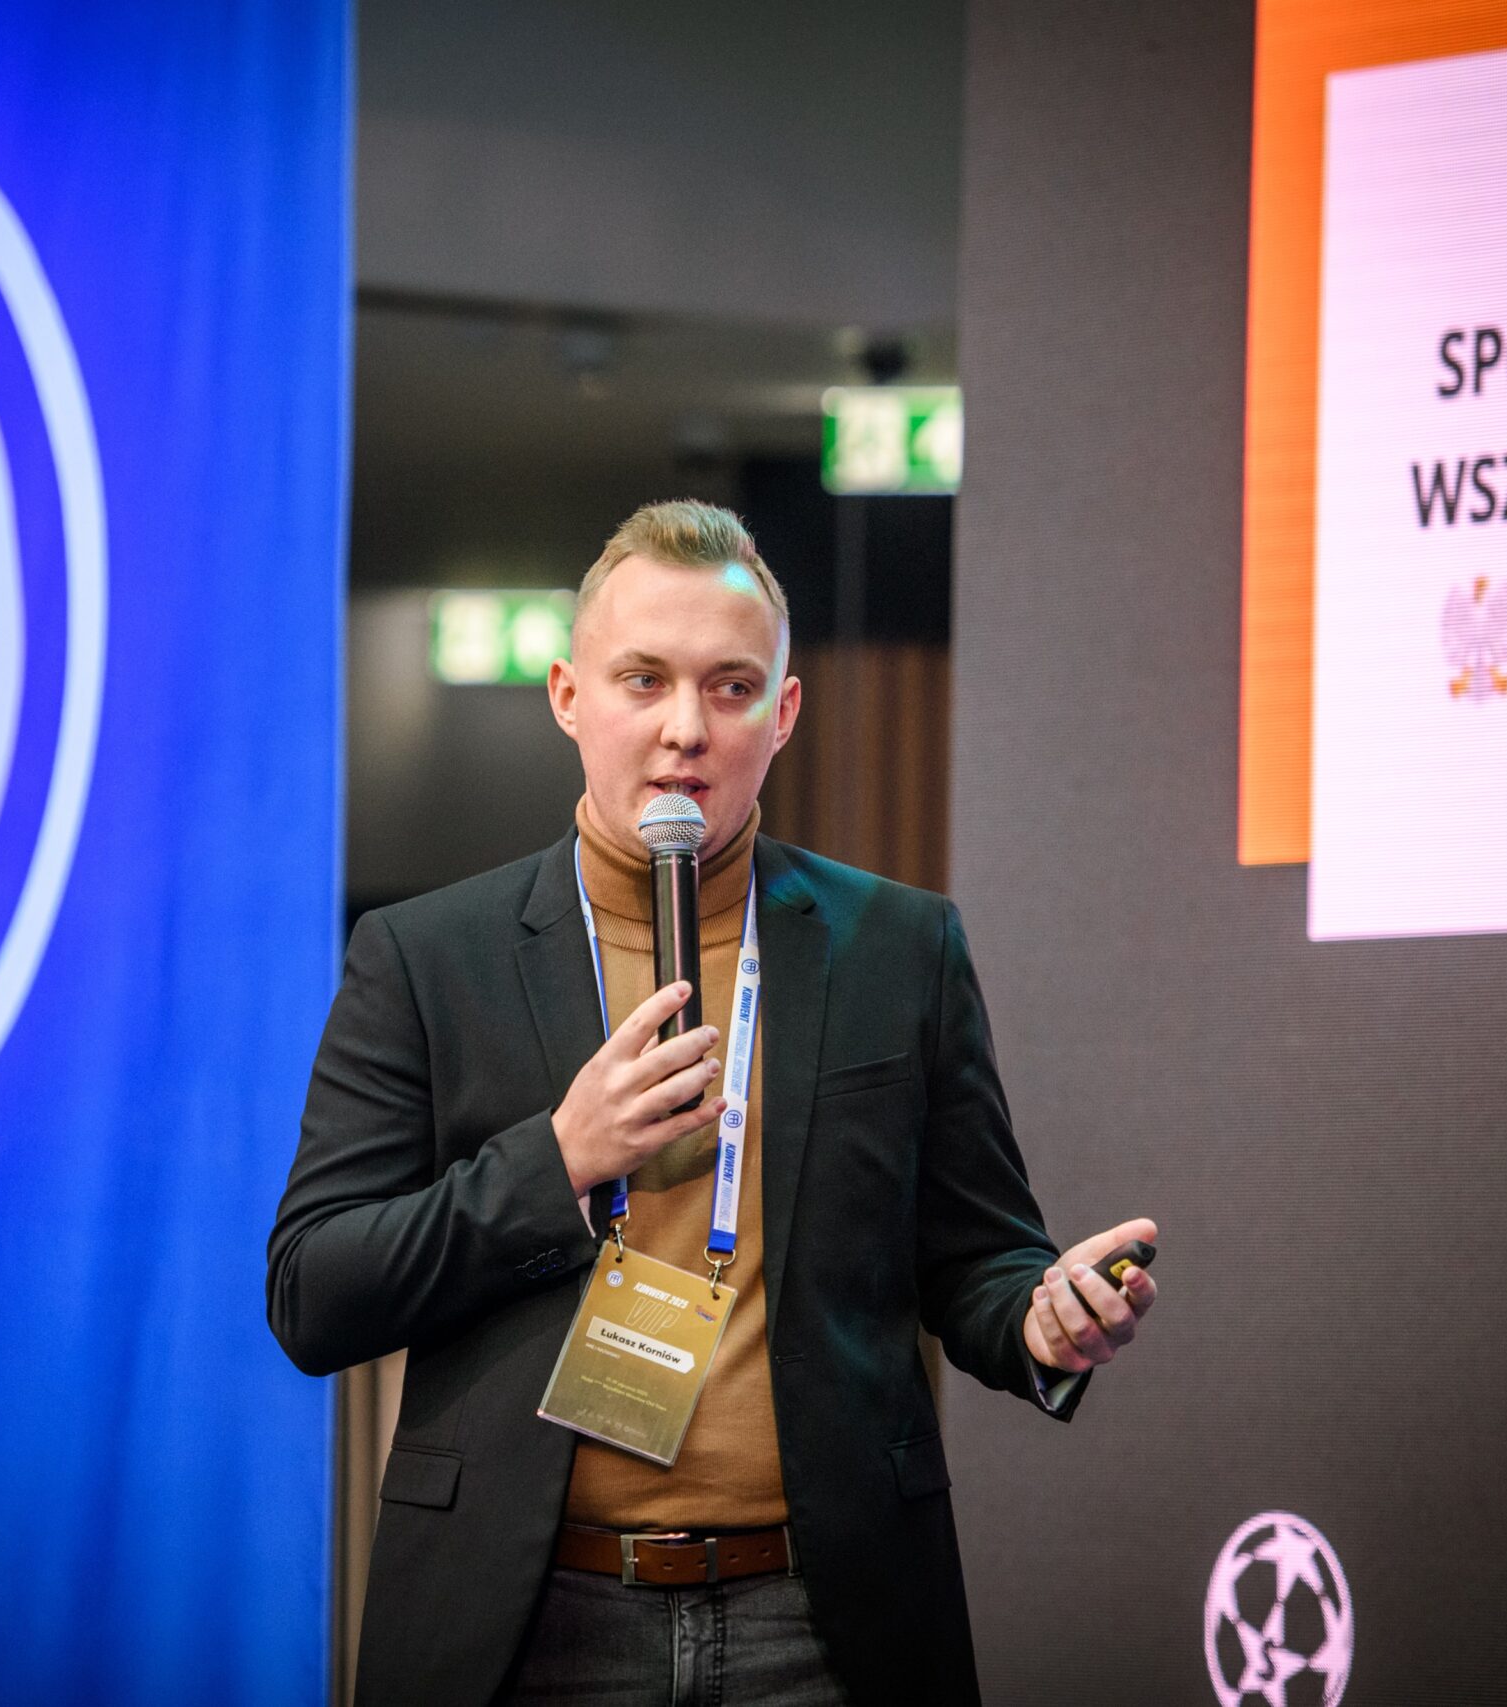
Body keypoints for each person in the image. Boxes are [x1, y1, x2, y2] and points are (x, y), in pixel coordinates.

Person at [268, 500, 1158, 1705]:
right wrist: (557, 1161)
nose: (684, 727)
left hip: (822, 1616)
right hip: (529, 1622)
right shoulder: (427, 958)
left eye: (729, 688)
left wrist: (1041, 1321)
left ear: (781, 714)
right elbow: (314, 1291)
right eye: (643, 680)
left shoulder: (898, 948)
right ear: (567, 696)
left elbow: (975, 1258)